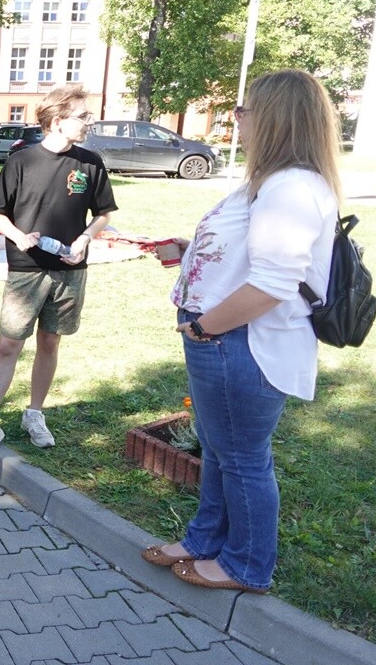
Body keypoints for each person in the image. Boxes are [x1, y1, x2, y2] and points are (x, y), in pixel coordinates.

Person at [141, 70, 341, 594]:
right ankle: (206, 541)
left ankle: (246, 565)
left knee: (244, 459)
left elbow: (273, 285)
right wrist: (193, 251)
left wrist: (203, 328)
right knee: (220, 450)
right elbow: (253, 258)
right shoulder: (269, 183)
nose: (238, 118)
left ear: (274, 118)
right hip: (225, 340)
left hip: (241, 343)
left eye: (246, 109)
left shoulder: (291, 188)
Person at [0, 84, 117, 467]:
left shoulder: (90, 163)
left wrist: (84, 239)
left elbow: (103, 214)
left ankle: (34, 413)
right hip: (26, 271)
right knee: (8, 345)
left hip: (70, 270)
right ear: (58, 120)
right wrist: (19, 236)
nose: (89, 122)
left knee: (50, 344)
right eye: (83, 116)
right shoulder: (22, 162)